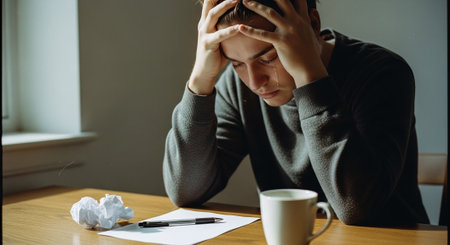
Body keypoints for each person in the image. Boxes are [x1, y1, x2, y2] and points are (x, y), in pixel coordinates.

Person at [162, 0, 430, 225]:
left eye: (267, 58)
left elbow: (355, 208)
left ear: (312, 25)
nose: (255, 82)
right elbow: (185, 191)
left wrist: (309, 77)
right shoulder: (236, 87)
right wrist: (200, 81)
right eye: (236, 64)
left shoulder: (381, 73)